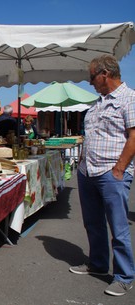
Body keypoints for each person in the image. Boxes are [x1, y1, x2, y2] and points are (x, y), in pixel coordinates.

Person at [69, 54, 135, 297]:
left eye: (91, 76)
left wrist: (119, 169)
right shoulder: (98, 103)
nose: (89, 81)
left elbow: (134, 137)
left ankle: (124, 276)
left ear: (104, 74)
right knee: (93, 223)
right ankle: (97, 264)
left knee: (118, 227)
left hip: (111, 172)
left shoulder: (130, 98)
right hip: (88, 171)